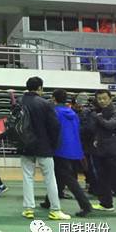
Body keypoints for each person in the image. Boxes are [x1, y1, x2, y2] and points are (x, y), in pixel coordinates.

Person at [19, 77, 70, 220]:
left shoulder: (19, 102)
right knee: (50, 178)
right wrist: (53, 144)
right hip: (43, 146)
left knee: (27, 177)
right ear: (40, 88)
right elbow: (55, 126)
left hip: (25, 145)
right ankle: (55, 210)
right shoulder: (45, 104)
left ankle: (29, 209)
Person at [40, 89, 92, 217]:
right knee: (60, 176)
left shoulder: (54, 112)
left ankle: (86, 205)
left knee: (68, 178)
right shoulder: (72, 113)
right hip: (75, 149)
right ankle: (48, 201)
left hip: (60, 149)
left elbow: (52, 130)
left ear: (53, 98)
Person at [88, 90, 116, 216]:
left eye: (104, 98)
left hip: (115, 152)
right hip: (101, 152)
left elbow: (110, 125)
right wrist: (96, 139)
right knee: (102, 179)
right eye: (99, 98)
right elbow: (95, 130)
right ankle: (106, 204)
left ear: (110, 99)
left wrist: (98, 117)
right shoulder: (97, 113)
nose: (102, 101)